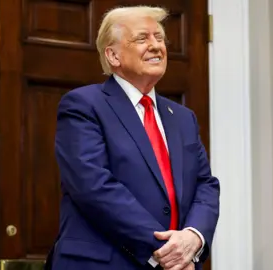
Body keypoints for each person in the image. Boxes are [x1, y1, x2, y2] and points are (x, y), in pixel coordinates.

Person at [45, 5, 220, 270]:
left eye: (159, 38)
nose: (156, 46)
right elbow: (93, 186)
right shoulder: (83, 105)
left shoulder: (183, 118)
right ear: (113, 55)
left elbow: (205, 185)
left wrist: (193, 237)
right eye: (142, 38)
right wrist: (167, 250)